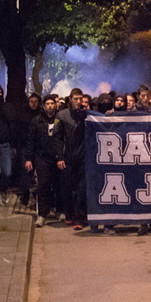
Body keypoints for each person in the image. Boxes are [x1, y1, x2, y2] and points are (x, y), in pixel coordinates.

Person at [25, 95, 65, 227]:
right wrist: (29, 159)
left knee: (58, 185)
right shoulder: (36, 121)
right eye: (47, 104)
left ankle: (58, 210)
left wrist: (61, 157)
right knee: (43, 185)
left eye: (52, 103)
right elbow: (30, 141)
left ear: (55, 105)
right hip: (42, 157)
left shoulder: (59, 120)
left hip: (56, 158)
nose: (50, 106)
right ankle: (42, 214)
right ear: (43, 106)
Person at [57, 88, 89, 230]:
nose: (78, 102)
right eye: (75, 99)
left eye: (80, 99)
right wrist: (59, 157)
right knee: (68, 189)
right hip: (68, 157)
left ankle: (79, 218)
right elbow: (57, 138)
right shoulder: (62, 115)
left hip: (83, 158)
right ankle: (69, 214)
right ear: (70, 99)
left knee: (81, 189)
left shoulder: (86, 115)